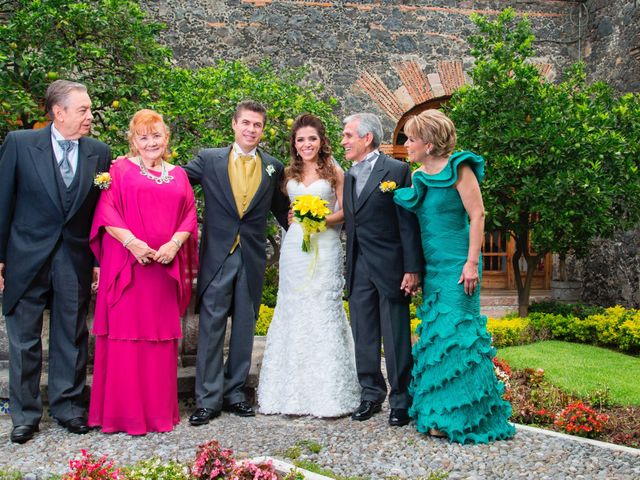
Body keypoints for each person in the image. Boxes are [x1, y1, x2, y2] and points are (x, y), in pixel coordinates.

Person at [394, 109, 515, 443]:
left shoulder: (459, 168)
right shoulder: (418, 177)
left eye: (411, 138)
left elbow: (477, 215)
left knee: (457, 339)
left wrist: (472, 262)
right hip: (433, 270)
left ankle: (465, 416)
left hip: (460, 268)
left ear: (430, 144)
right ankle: (438, 414)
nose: (406, 144)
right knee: (436, 339)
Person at [0, 80, 112, 443]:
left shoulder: (99, 152)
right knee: (24, 341)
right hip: (25, 258)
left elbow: (99, 212)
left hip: (73, 258)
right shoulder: (19, 145)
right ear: (58, 112)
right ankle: (26, 415)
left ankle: (67, 407)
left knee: (71, 336)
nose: (90, 117)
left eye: (90, 109)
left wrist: (96, 259)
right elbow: (3, 204)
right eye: (83, 110)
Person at [87, 109, 198, 435]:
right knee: (125, 340)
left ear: (167, 138)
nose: (151, 142)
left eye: (157, 135)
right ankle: (123, 416)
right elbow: (106, 212)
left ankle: (157, 414)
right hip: (129, 269)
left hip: (163, 271)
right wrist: (133, 244)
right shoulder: (118, 170)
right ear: (133, 141)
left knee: (159, 342)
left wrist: (174, 246)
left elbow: (189, 214)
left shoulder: (178, 174)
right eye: (143, 136)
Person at [184, 100, 289, 425]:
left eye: (257, 125)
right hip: (218, 255)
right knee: (212, 329)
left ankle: (235, 394)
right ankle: (208, 400)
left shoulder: (273, 165)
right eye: (246, 123)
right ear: (234, 124)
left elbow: (283, 211)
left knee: (244, 327)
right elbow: (173, 184)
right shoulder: (208, 159)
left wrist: (314, 231)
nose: (251, 130)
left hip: (252, 257)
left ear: (263, 129)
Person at [258, 114, 360, 417]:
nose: (306, 144)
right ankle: (288, 392)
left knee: (322, 307)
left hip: (325, 246)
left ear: (321, 141)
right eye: (300, 139)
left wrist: (322, 219)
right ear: (294, 143)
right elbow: (284, 209)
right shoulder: (288, 172)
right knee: (293, 307)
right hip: (295, 249)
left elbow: (345, 212)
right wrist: (295, 219)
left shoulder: (334, 172)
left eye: (311, 139)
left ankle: (329, 392)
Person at [341, 113, 423, 427]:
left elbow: (408, 223)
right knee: (364, 334)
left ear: (367, 138)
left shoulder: (398, 170)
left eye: (349, 135)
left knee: (396, 336)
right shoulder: (348, 175)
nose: (344, 141)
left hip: (391, 267)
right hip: (359, 266)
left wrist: (412, 268)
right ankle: (370, 394)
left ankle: (401, 401)